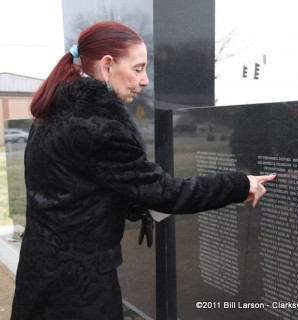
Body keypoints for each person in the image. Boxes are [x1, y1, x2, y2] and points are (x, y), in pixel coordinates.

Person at [11, 21, 276, 320]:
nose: (145, 80)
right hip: (78, 289)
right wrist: (239, 184)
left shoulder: (52, 113)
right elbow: (169, 194)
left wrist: (131, 202)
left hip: (40, 273)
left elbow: (71, 188)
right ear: (107, 65)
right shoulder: (102, 128)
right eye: (137, 69)